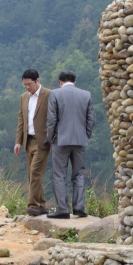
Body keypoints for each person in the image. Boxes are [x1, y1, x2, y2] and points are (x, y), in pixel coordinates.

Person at [45, 71, 95, 219]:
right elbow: (91, 120)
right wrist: (85, 135)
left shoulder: (55, 94)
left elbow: (51, 119)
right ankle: (79, 207)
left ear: (60, 82)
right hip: (80, 140)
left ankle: (62, 209)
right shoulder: (86, 95)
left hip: (60, 140)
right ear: (75, 81)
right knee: (79, 173)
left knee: (59, 175)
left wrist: (50, 138)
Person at [14, 69, 51, 216]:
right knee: (31, 175)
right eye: (25, 85)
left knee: (35, 172)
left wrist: (53, 139)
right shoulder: (24, 97)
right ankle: (41, 205)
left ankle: (32, 205)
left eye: (29, 84)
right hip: (27, 140)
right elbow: (21, 120)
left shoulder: (48, 95)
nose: (27, 87)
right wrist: (18, 141)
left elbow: (53, 118)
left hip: (42, 141)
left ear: (38, 81)